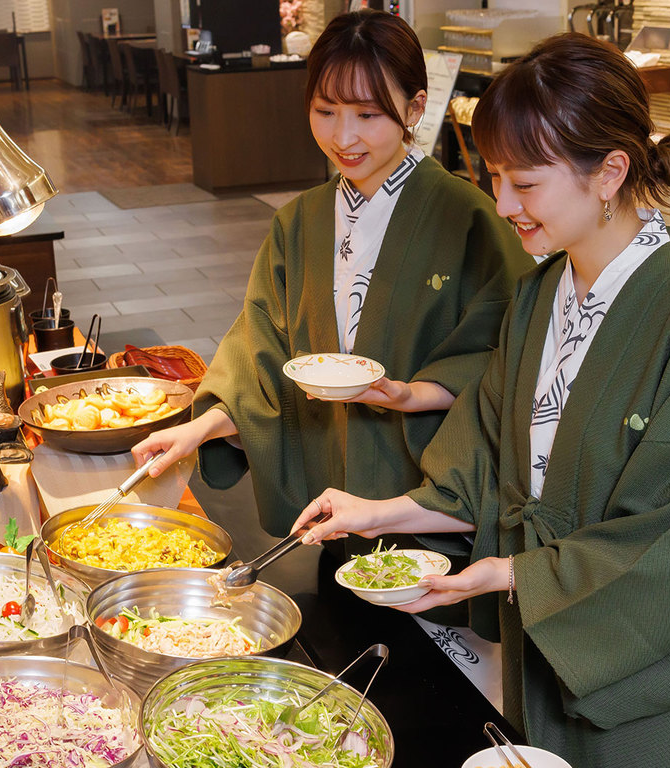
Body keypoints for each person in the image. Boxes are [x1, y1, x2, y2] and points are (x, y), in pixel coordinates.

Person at [291, 33, 670, 768]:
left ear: (610, 171)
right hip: (553, 644)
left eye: (526, 183)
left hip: (657, 679)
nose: (503, 204)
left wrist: (512, 573)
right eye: (496, 177)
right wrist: (378, 514)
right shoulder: (543, 295)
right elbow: (488, 466)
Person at [132, 11, 528, 555]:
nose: (344, 136)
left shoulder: (469, 219)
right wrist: (200, 429)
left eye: (368, 114)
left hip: (426, 504)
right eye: (325, 111)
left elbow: (508, 353)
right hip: (327, 502)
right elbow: (261, 351)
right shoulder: (298, 223)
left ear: (415, 107)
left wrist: (415, 394)